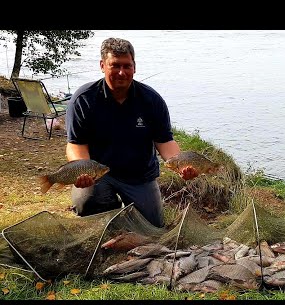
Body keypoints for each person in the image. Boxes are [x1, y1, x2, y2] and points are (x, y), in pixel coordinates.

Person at [65, 37, 198, 228]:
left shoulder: (151, 100)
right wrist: (83, 170)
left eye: (127, 66)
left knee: (152, 227)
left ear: (134, 67)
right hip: (100, 173)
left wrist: (181, 166)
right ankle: (107, 220)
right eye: (115, 65)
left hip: (139, 175)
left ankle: (129, 217)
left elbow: (165, 141)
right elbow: (76, 144)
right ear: (102, 65)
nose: (121, 72)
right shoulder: (84, 99)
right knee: (86, 202)